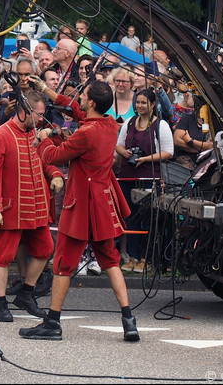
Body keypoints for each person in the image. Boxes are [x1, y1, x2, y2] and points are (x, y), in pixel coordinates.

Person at [21, 80, 139, 343]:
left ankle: (52, 322)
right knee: (111, 261)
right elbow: (74, 109)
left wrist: (44, 140)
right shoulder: (108, 124)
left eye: (84, 96)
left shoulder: (86, 133)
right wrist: (44, 86)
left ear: (93, 102)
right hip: (102, 203)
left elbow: (53, 157)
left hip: (82, 205)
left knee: (63, 264)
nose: (81, 99)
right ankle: (128, 319)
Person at [0, 89, 62, 323]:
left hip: (36, 207)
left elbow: (45, 161)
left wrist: (55, 173)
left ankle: (26, 294)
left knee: (46, 249)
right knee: (2, 257)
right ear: (24, 111)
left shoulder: (34, 135)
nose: (41, 120)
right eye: (38, 115)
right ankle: (0, 304)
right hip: (10, 209)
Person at [114, 88, 172, 272]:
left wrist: (145, 159)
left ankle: (146, 258)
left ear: (153, 104)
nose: (139, 106)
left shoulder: (160, 125)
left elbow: (169, 152)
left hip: (149, 177)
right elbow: (119, 144)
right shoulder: (130, 123)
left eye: (143, 102)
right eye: (137, 102)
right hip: (127, 176)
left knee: (148, 218)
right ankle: (132, 256)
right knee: (130, 217)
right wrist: (124, 152)